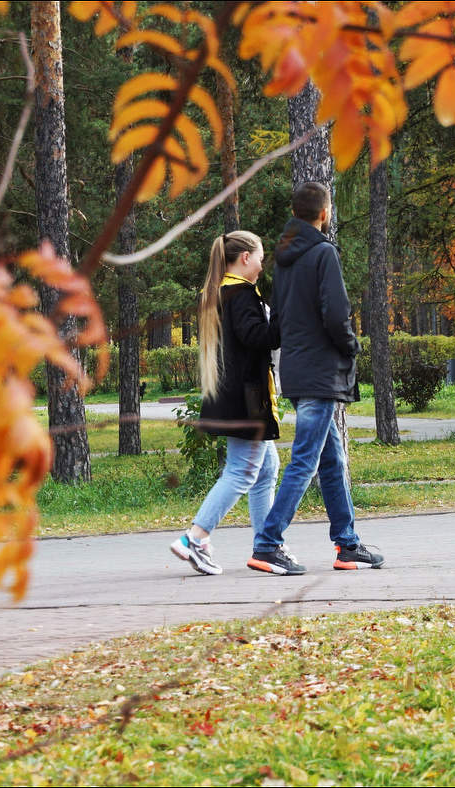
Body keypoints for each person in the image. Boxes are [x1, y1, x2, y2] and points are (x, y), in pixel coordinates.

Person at [252, 181, 384, 574]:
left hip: (295, 368)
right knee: (306, 460)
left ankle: (348, 545)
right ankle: (268, 543)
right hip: (321, 371)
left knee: (331, 458)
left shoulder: (283, 260)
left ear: (296, 213)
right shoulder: (324, 253)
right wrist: (350, 346)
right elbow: (335, 313)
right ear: (324, 214)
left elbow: (278, 318)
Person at [170, 230, 282, 576]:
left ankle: (267, 546)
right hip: (245, 401)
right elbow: (258, 338)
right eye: (261, 258)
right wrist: (279, 312)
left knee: (266, 469)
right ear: (245, 257)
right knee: (243, 471)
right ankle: (194, 538)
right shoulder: (241, 294)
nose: (263, 266)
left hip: (233, 398)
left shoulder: (221, 292)